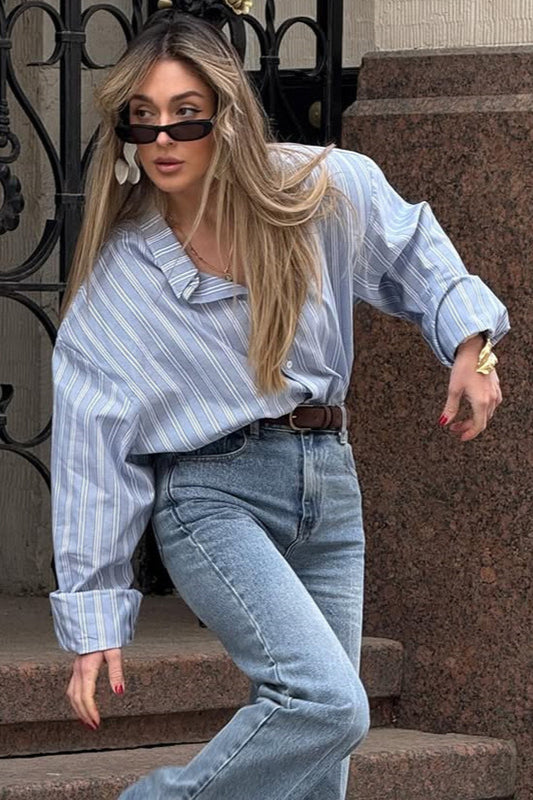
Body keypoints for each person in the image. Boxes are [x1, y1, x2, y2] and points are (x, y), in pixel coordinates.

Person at [49, 6, 510, 800]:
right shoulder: (121, 280)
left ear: (227, 116)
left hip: (328, 487)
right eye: (143, 119)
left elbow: (409, 246)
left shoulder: (317, 190)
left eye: (186, 115)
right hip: (210, 496)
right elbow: (94, 453)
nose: (163, 138)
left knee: (318, 773)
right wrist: (93, 618)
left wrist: (471, 348)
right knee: (328, 705)